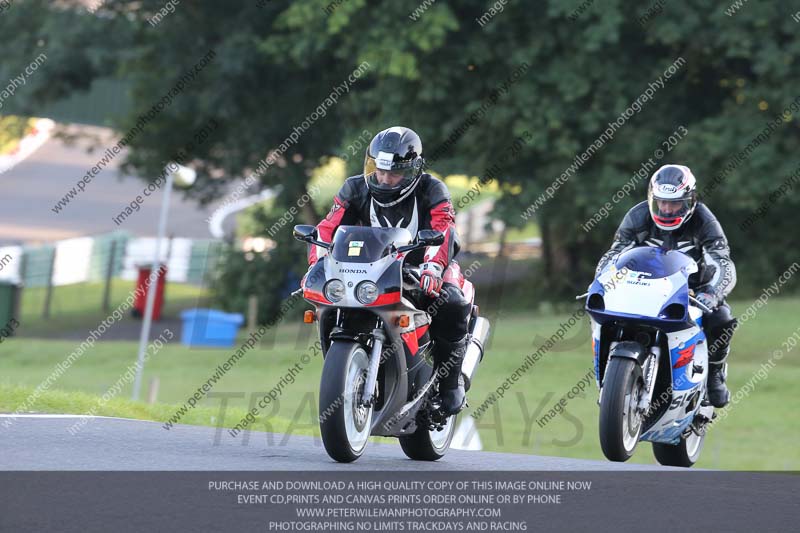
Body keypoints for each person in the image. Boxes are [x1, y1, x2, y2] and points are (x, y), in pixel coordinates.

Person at [306, 126, 472, 415]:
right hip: (369, 272)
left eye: (393, 172)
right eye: (378, 169)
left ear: (412, 171)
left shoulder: (433, 190)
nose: (384, 178)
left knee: (453, 302)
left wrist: (432, 268)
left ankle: (450, 382)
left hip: (425, 266)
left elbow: (444, 229)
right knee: (330, 305)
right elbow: (327, 229)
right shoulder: (354, 187)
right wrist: (317, 264)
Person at [596, 164, 737, 407]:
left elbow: (723, 262)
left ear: (690, 201)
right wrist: (602, 280)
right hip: (643, 285)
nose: (667, 209)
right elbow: (615, 254)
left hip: (693, 291)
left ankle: (714, 373)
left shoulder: (704, 221)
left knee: (722, 317)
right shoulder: (637, 216)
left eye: (675, 203)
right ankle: (609, 380)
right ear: (652, 198)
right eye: (662, 202)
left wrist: (713, 293)